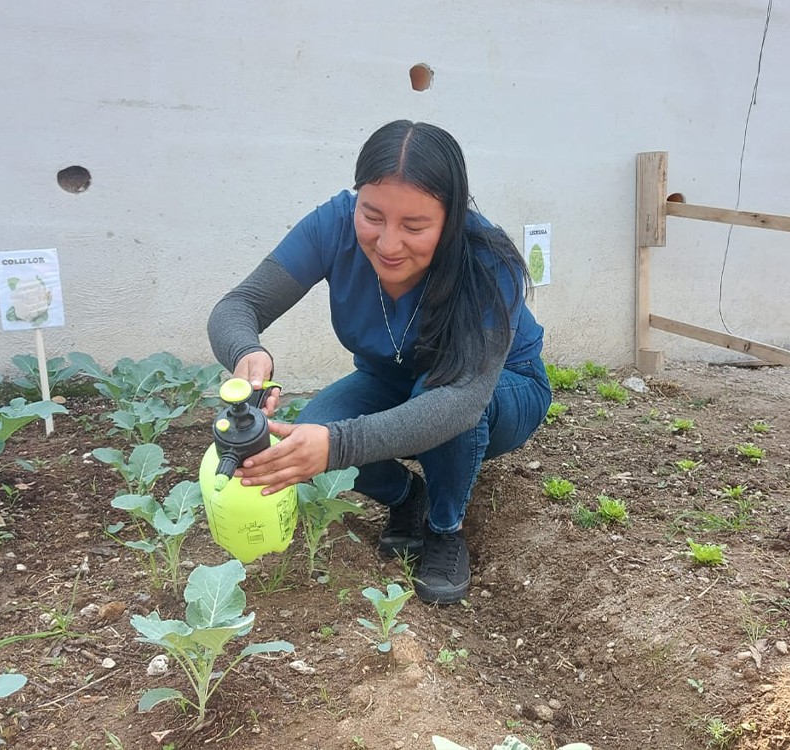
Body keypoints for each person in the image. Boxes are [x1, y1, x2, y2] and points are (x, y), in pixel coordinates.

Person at [207, 120, 550, 604]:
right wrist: (248, 352)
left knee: (424, 408)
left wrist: (339, 446)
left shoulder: (488, 260)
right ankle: (409, 497)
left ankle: (444, 527)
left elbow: (461, 402)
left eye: (415, 226)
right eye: (372, 215)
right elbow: (238, 306)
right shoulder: (334, 226)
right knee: (313, 426)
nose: (388, 244)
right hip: (389, 379)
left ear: (450, 219)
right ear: (357, 198)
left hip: (500, 390)